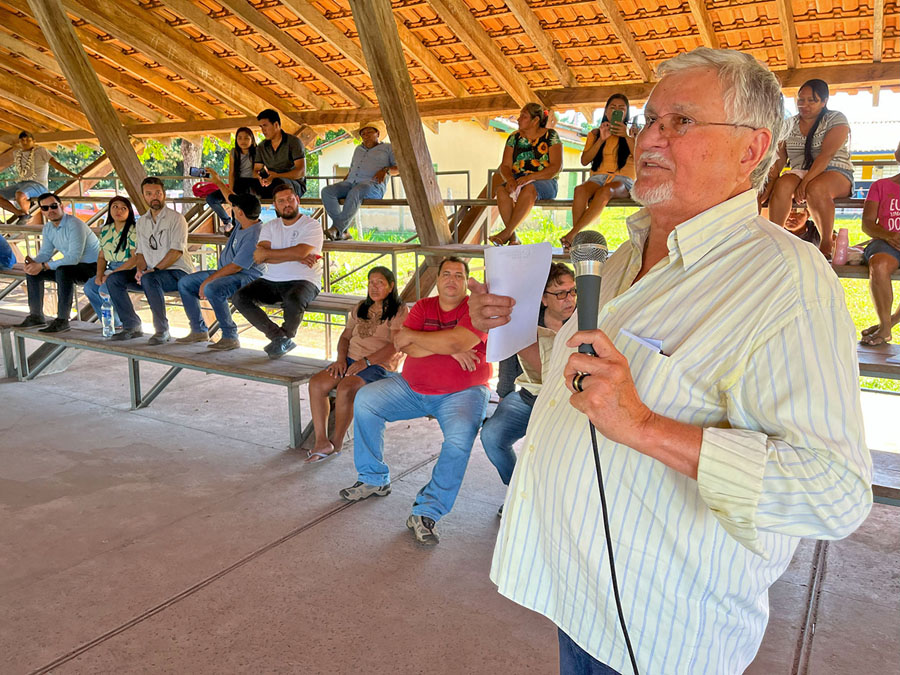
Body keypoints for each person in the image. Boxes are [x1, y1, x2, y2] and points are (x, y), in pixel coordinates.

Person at [470, 48, 872, 674]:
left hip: (658, 630)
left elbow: (834, 491)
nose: (648, 137)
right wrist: (525, 332)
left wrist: (646, 426)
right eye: (649, 120)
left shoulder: (786, 281)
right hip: (578, 598)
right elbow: (580, 385)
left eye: (679, 122)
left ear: (751, 150)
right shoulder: (626, 256)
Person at [339, 257, 491, 546]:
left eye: (459, 275)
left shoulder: (476, 309)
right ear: (437, 279)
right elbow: (401, 343)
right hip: (411, 387)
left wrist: (435, 342)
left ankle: (427, 511)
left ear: (466, 281)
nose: (451, 279)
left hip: (462, 392)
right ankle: (373, 477)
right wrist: (450, 347)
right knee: (367, 400)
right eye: (446, 273)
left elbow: (430, 341)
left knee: (459, 441)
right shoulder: (423, 306)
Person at [480, 263, 575, 509]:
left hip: (567, 403)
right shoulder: (528, 322)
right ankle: (518, 492)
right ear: (543, 299)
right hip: (529, 396)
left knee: (553, 453)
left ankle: (548, 502)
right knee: (492, 436)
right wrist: (503, 395)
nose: (570, 299)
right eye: (561, 293)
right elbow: (509, 358)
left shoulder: (583, 322)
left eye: (573, 291)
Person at [305, 266, 408, 463]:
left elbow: (395, 345)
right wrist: (341, 359)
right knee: (317, 383)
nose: (374, 287)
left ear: (391, 286)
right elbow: (345, 337)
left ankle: (336, 442)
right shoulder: (360, 307)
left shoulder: (399, 310)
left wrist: (366, 362)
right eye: (371, 282)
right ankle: (321, 441)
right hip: (351, 360)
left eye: (380, 283)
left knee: (346, 387)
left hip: (379, 365)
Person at [761, 79, 854, 258]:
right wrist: (768, 184)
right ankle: (776, 238)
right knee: (783, 184)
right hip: (800, 172)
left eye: (812, 100)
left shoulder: (836, 119)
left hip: (835, 171)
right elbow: (779, 160)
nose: (804, 105)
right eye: (801, 100)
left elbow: (826, 155)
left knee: (816, 188)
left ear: (824, 101)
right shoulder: (788, 124)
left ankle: (826, 242)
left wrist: (806, 182)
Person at [231, 184, 323, 359]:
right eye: (281, 201)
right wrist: (295, 255)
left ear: (297, 200)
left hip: (304, 279)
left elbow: (299, 251)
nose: (286, 204)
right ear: (274, 205)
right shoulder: (270, 226)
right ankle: (279, 337)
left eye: (290, 199)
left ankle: (284, 338)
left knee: (293, 300)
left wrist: (295, 254)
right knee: (239, 297)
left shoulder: (312, 225)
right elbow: (259, 257)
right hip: (270, 278)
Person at [107, 177, 195, 344]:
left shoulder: (177, 219)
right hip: (151, 273)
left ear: (164, 194)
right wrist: (140, 270)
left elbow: (176, 251)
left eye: (158, 193)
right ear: (143, 196)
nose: (154, 197)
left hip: (177, 272)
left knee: (149, 278)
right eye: (149, 194)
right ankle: (131, 326)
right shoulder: (141, 223)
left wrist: (153, 271)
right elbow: (140, 254)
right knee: (114, 279)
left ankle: (162, 330)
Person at [176, 192, 266, 350]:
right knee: (185, 283)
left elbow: (236, 266)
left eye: (234, 207)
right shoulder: (242, 223)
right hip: (226, 272)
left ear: (239, 212)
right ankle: (198, 330)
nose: (231, 208)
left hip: (245, 278)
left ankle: (230, 336)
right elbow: (229, 196)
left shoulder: (255, 235)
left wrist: (207, 281)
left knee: (212, 288)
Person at [15, 192, 100, 333]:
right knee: (34, 272)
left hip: (93, 267)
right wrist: (34, 263)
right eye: (45, 208)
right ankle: (36, 316)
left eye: (53, 206)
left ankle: (62, 320)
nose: (50, 210)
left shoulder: (75, 224)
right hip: (73, 268)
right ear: (42, 211)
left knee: (62, 270)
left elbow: (73, 258)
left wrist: (43, 265)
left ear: (61, 206)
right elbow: (46, 253)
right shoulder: (48, 228)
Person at [561, 95, 636, 250]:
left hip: (623, 180)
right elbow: (585, 160)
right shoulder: (595, 134)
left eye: (621, 109)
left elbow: (641, 158)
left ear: (626, 113)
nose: (617, 111)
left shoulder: (634, 134)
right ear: (606, 112)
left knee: (605, 191)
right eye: (612, 108)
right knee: (579, 190)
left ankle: (573, 235)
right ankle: (578, 239)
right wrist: (601, 139)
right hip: (597, 178)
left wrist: (627, 136)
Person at [490, 103, 562, 246]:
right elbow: (505, 166)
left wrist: (530, 178)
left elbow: (556, 167)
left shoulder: (551, 135)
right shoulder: (513, 138)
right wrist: (510, 179)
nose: (518, 119)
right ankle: (513, 237)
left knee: (530, 189)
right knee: (501, 191)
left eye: (524, 116)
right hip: (518, 180)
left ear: (535, 121)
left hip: (546, 181)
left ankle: (506, 233)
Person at [321, 125, 398, 241]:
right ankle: (343, 230)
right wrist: (344, 181)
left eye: (369, 132)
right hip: (351, 183)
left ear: (377, 133)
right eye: (363, 134)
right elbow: (352, 169)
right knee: (327, 191)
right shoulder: (358, 149)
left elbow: (399, 168)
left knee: (356, 191)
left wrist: (385, 170)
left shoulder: (388, 148)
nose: (366, 136)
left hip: (373, 186)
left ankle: (337, 228)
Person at [859, 141, 900, 346]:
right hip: (885, 242)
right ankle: (885, 328)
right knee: (879, 264)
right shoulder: (881, 186)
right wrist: (888, 235)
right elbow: (867, 224)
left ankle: (889, 322)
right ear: (897, 155)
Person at [83, 196, 138, 332]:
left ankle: (128, 321)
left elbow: (135, 258)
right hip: (112, 266)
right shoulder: (106, 229)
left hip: (129, 268)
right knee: (90, 287)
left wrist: (113, 274)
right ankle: (111, 321)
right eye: (115, 207)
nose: (118, 210)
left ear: (129, 211)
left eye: (123, 208)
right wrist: (99, 274)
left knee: (104, 289)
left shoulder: (133, 229)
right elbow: (102, 257)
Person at [0, 131, 76, 225]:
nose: (25, 142)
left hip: (38, 185)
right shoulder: (17, 153)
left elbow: (55, 164)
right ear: (19, 142)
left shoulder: (41, 151)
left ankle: (26, 215)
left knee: (20, 195)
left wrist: (72, 174)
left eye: (28, 140)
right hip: (22, 183)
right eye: (22, 140)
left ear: (34, 141)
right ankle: (20, 214)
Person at [204, 127, 262, 232]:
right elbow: (231, 173)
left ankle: (238, 228)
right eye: (239, 138)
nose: (243, 141)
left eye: (246, 138)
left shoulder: (258, 152)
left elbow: (258, 172)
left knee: (239, 204)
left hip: (251, 184)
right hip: (237, 184)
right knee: (211, 199)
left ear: (252, 139)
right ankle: (227, 221)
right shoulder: (234, 152)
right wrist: (230, 190)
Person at [254, 109, 307, 199]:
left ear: (276, 125)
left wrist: (275, 176)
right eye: (261, 127)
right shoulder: (261, 147)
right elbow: (256, 170)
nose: (263, 130)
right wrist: (260, 178)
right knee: (244, 184)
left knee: (278, 183)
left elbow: (301, 172)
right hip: (270, 182)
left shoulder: (293, 142)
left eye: (265, 126)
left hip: (294, 183)